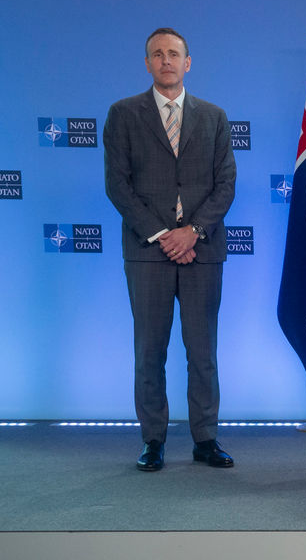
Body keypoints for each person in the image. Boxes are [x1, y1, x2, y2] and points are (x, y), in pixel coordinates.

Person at [104, 27, 237, 472]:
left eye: (174, 54)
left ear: (188, 62)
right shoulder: (123, 114)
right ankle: (153, 440)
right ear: (147, 63)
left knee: (203, 352)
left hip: (202, 251)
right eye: (157, 54)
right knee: (150, 351)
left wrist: (192, 231)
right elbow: (118, 187)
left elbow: (226, 186)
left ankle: (205, 439)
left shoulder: (214, 117)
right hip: (148, 254)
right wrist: (164, 235)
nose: (166, 61)